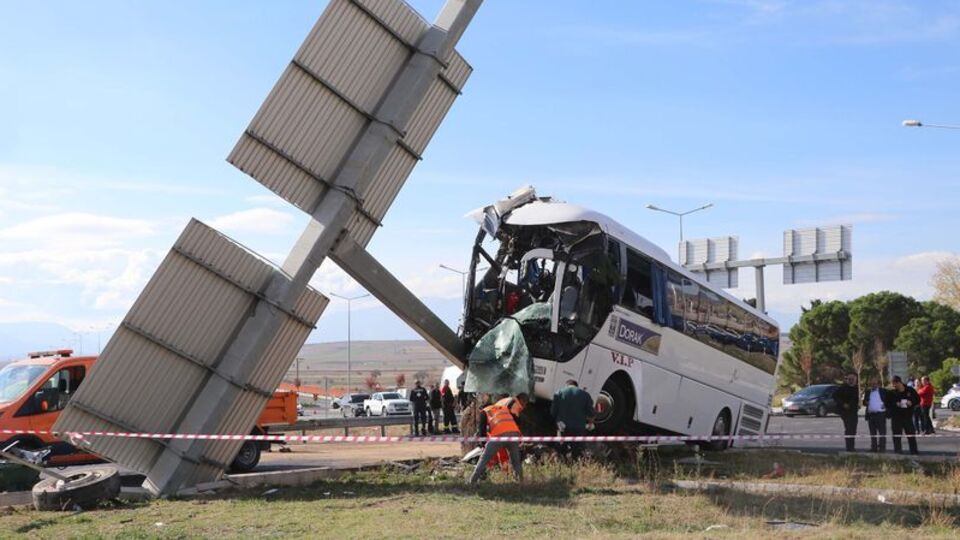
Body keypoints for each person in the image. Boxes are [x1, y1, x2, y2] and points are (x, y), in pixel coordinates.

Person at [469, 393, 528, 484]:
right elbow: (514, 420)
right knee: (516, 461)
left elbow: (482, 430)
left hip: (498, 436)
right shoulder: (503, 408)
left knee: (484, 459)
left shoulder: (485, 411)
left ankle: (472, 481)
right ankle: (520, 483)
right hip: (514, 435)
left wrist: (482, 444)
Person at [550, 379, 595, 460]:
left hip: (562, 427)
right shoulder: (585, 395)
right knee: (577, 451)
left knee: (560, 449)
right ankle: (574, 465)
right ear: (576, 386)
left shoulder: (559, 393)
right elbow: (591, 413)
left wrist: (557, 421)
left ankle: (561, 465)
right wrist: (590, 424)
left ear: (566, 385)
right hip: (578, 428)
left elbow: (553, 412)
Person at [886, 376, 920, 455]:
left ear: (899, 382)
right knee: (897, 435)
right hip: (896, 417)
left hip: (907, 416)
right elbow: (887, 403)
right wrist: (895, 404)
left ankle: (914, 451)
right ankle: (898, 451)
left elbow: (918, 399)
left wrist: (911, 402)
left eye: (895, 384)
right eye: (893, 385)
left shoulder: (910, 390)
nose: (894, 386)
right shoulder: (892, 393)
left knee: (911, 434)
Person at [833, 373, 860, 452]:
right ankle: (849, 448)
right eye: (850, 379)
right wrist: (843, 404)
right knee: (848, 429)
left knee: (853, 430)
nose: (851, 381)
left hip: (854, 412)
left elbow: (856, 399)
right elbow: (835, 396)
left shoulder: (856, 388)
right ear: (847, 379)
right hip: (845, 412)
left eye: (853, 379)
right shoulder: (843, 387)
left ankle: (852, 447)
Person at [862, 378, 888, 453]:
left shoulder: (883, 391)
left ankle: (882, 448)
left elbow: (888, 400)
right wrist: (866, 402)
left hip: (880, 414)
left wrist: (885, 405)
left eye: (875, 384)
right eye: (872, 384)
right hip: (871, 415)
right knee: (872, 432)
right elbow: (864, 402)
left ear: (878, 384)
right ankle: (874, 448)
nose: (873, 385)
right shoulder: (868, 392)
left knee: (882, 432)